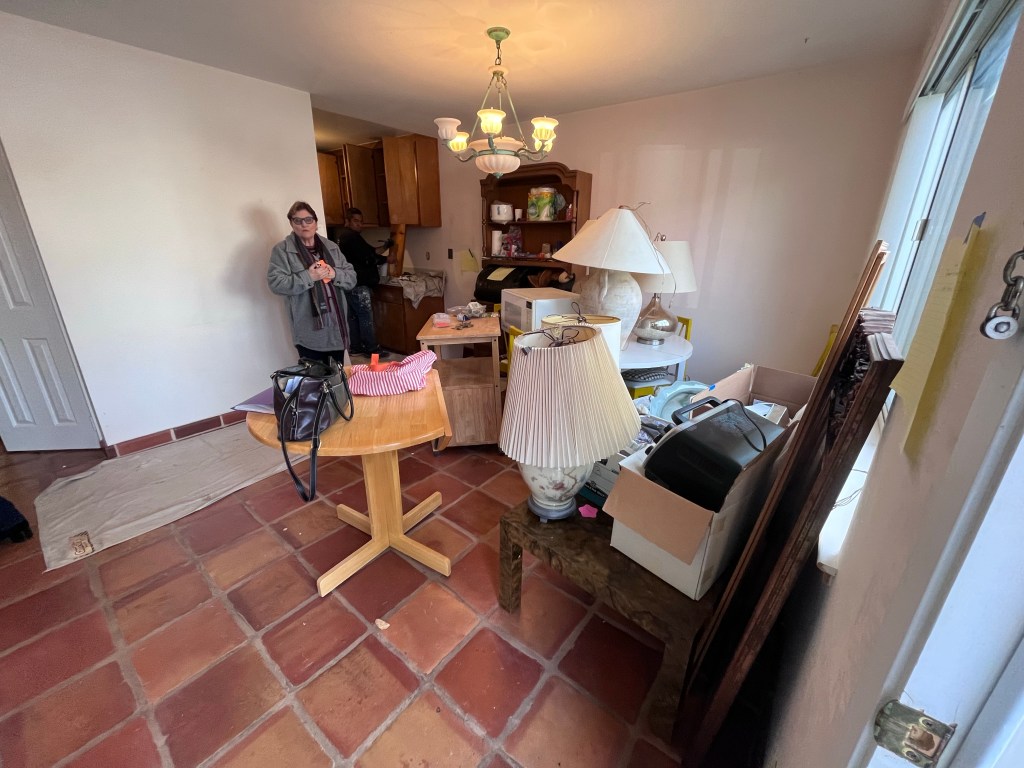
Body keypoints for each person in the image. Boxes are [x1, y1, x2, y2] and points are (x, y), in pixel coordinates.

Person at [267, 201, 356, 364]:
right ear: (291, 224)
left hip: (337, 330)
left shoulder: (331, 247)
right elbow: (276, 284)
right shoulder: (282, 251)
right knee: (315, 378)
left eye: (308, 220)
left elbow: (351, 279)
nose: (304, 225)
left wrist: (335, 273)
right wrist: (309, 276)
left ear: (315, 222)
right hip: (310, 334)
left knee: (337, 376)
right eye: (298, 220)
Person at [334, 207, 394, 358]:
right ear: (347, 221)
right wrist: (387, 259)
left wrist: (385, 247)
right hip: (358, 285)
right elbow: (368, 258)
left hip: (349, 284)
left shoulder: (346, 237)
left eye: (361, 221)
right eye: (356, 221)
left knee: (354, 317)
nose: (359, 224)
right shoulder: (351, 237)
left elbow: (371, 252)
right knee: (365, 316)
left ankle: (356, 347)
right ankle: (371, 348)